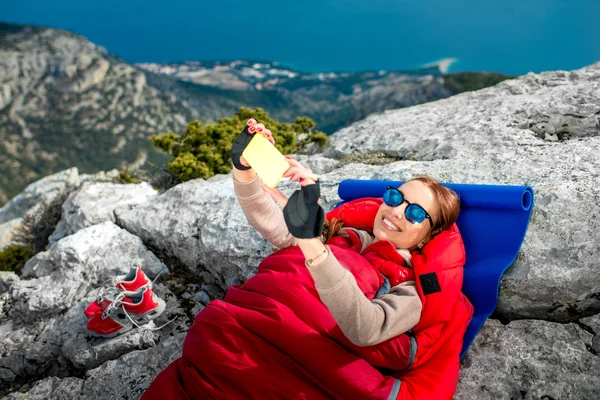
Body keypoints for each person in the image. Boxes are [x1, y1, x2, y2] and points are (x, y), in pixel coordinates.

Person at [143, 119, 474, 400]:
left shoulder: (415, 288)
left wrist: (313, 246)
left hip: (279, 374)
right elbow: (276, 227)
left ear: (429, 236)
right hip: (222, 345)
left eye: (415, 212)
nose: (397, 211)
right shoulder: (346, 236)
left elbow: (367, 329)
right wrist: (245, 171)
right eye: (395, 197)